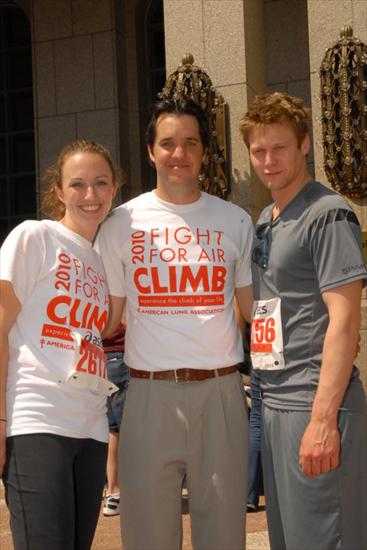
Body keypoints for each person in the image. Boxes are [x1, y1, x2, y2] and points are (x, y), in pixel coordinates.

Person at [95, 98, 254, 550]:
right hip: (148, 395)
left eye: (190, 143)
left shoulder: (235, 221)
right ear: (150, 151)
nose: (178, 153)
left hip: (221, 394)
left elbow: (254, 310)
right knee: (146, 536)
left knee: (224, 536)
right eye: (167, 143)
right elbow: (107, 320)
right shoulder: (120, 224)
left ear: (205, 151)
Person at [240, 91, 367, 550]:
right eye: (258, 150)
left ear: (305, 145)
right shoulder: (266, 219)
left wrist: (322, 419)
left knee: (326, 539)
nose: (268, 160)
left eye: (280, 148)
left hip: (314, 406)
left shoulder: (327, 213)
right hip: (273, 404)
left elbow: (346, 319)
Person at [0, 139, 118, 550]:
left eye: (101, 183)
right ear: (58, 192)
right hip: (36, 420)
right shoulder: (35, 237)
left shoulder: (103, 261)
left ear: (114, 189)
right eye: (78, 184)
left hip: (90, 428)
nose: (90, 195)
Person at [102, 322, 129, 516]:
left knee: (113, 430)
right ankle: (138, 492)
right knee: (130, 429)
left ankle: (113, 492)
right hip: (121, 353)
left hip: (98, 356)